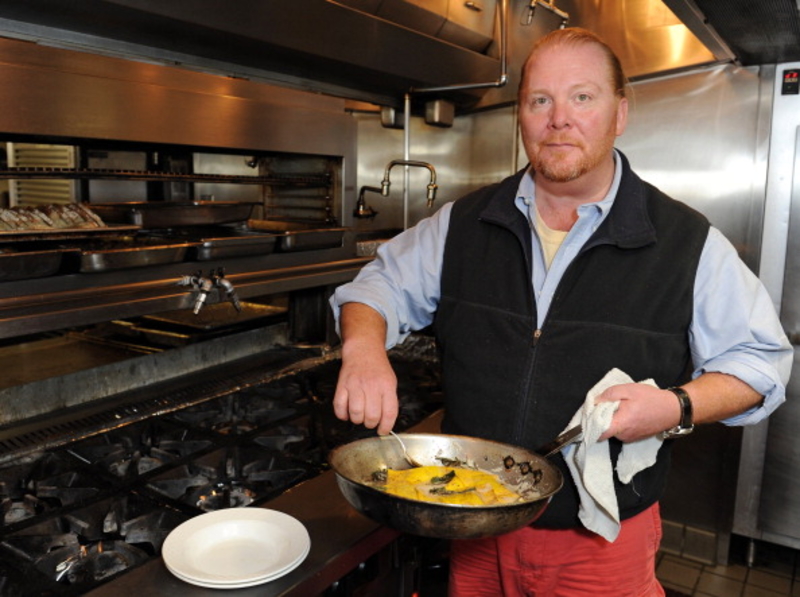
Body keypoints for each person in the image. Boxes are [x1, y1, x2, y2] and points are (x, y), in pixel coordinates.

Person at [329, 27, 792, 597]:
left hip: (599, 543)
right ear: (521, 115)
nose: (559, 119)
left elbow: (761, 365)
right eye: (540, 100)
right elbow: (377, 284)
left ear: (619, 113)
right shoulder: (463, 223)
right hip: (473, 521)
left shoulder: (685, 241)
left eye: (583, 97)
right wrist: (365, 348)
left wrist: (674, 406)